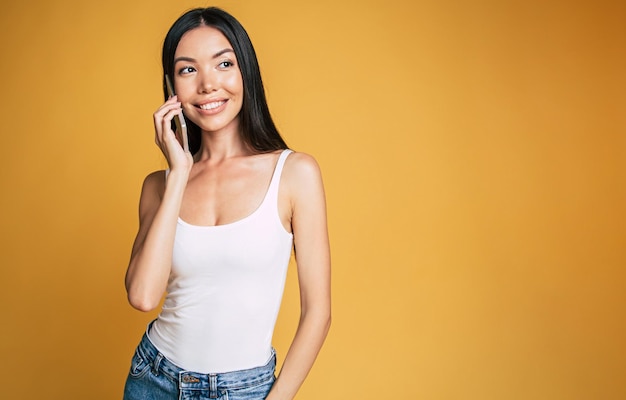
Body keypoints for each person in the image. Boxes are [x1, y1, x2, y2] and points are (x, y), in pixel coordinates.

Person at [122, 7, 331, 400]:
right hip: (154, 379)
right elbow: (143, 296)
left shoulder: (294, 173)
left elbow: (318, 313)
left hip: (245, 390)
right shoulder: (159, 186)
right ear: (171, 87)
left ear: (245, 71)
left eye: (223, 63)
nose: (207, 85)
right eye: (188, 70)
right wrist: (180, 172)